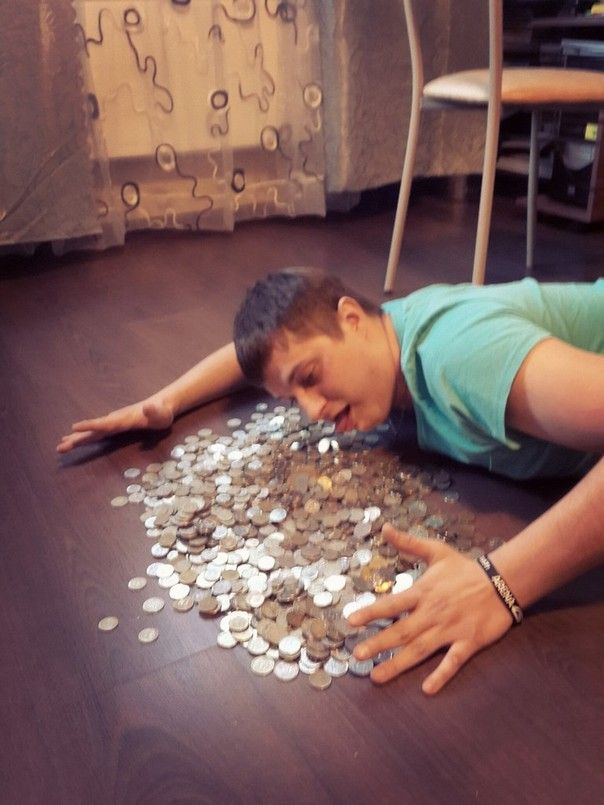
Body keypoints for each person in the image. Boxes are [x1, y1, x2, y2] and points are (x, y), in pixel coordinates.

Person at [57, 268, 604, 694]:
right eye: (291, 396)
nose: (313, 410)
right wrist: (167, 400)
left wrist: (500, 583)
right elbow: (265, 353)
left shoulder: (458, 356)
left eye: (311, 379)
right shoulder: (381, 332)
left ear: (352, 318)